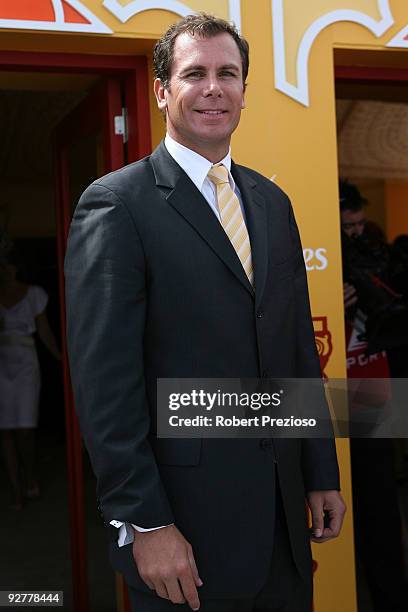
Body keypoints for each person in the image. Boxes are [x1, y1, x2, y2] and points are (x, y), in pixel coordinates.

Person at [65, 14, 345, 612]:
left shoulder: (272, 203)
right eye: (195, 74)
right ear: (163, 90)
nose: (214, 87)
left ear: (244, 91)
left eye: (229, 74)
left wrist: (321, 469)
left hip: (283, 524)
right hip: (184, 533)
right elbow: (105, 384)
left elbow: (295, 349)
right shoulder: (117, 203)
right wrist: (145, 522)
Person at [340, 180, 408, 612]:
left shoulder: (380, 256)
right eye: (346, 227)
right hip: (315, 395)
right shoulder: (313, 260)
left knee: (380, 510)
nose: (356, 234)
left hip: (370, 395)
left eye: (361, 224)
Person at [0, 234, 61, 510]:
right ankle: (16, 489)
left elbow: (45, 332)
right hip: (2, 363)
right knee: (6, 431)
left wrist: (62, 359)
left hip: (26, 363)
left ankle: (29, 474)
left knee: (25, 429)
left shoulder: (34, 294)